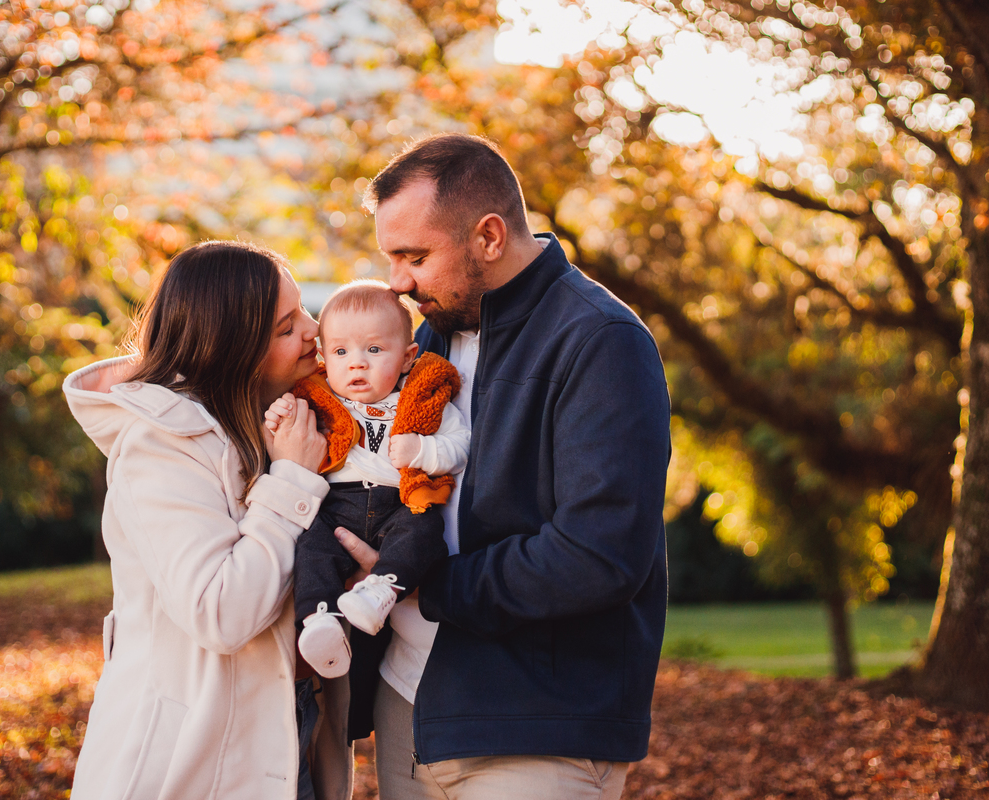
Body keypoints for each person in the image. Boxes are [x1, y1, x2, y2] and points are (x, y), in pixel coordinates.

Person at [336, 133, 671, 799]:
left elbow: (599, 555)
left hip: (535, 726)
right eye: (391, 258)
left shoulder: (600, 341)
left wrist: (424, 585)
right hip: (412, 707)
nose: (398, 282)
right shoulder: (422, 339)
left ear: (489, 236)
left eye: (415, 256)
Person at [62, 240, 352, 800]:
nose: (315, 331)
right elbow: (219, 612)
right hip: (191, 762)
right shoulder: (160, 447)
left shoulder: (278, 425)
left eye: (303, 312)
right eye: (286, 326)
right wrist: (292, 481)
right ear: (231, 350)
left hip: (288, 735)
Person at [265, 281, 469, 679]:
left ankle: (381, 590)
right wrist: (280, 415)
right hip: (337, 505)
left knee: (422, 530)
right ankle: (320, 620)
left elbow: (461, 445)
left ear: (408, 357)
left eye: (374, 350)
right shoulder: (320, 398)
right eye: (341, 352)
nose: (356, 364)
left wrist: (423, 453)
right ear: (325, 357)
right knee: (312, 546)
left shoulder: (422, 401)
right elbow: (288, 430)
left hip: (399, 503)